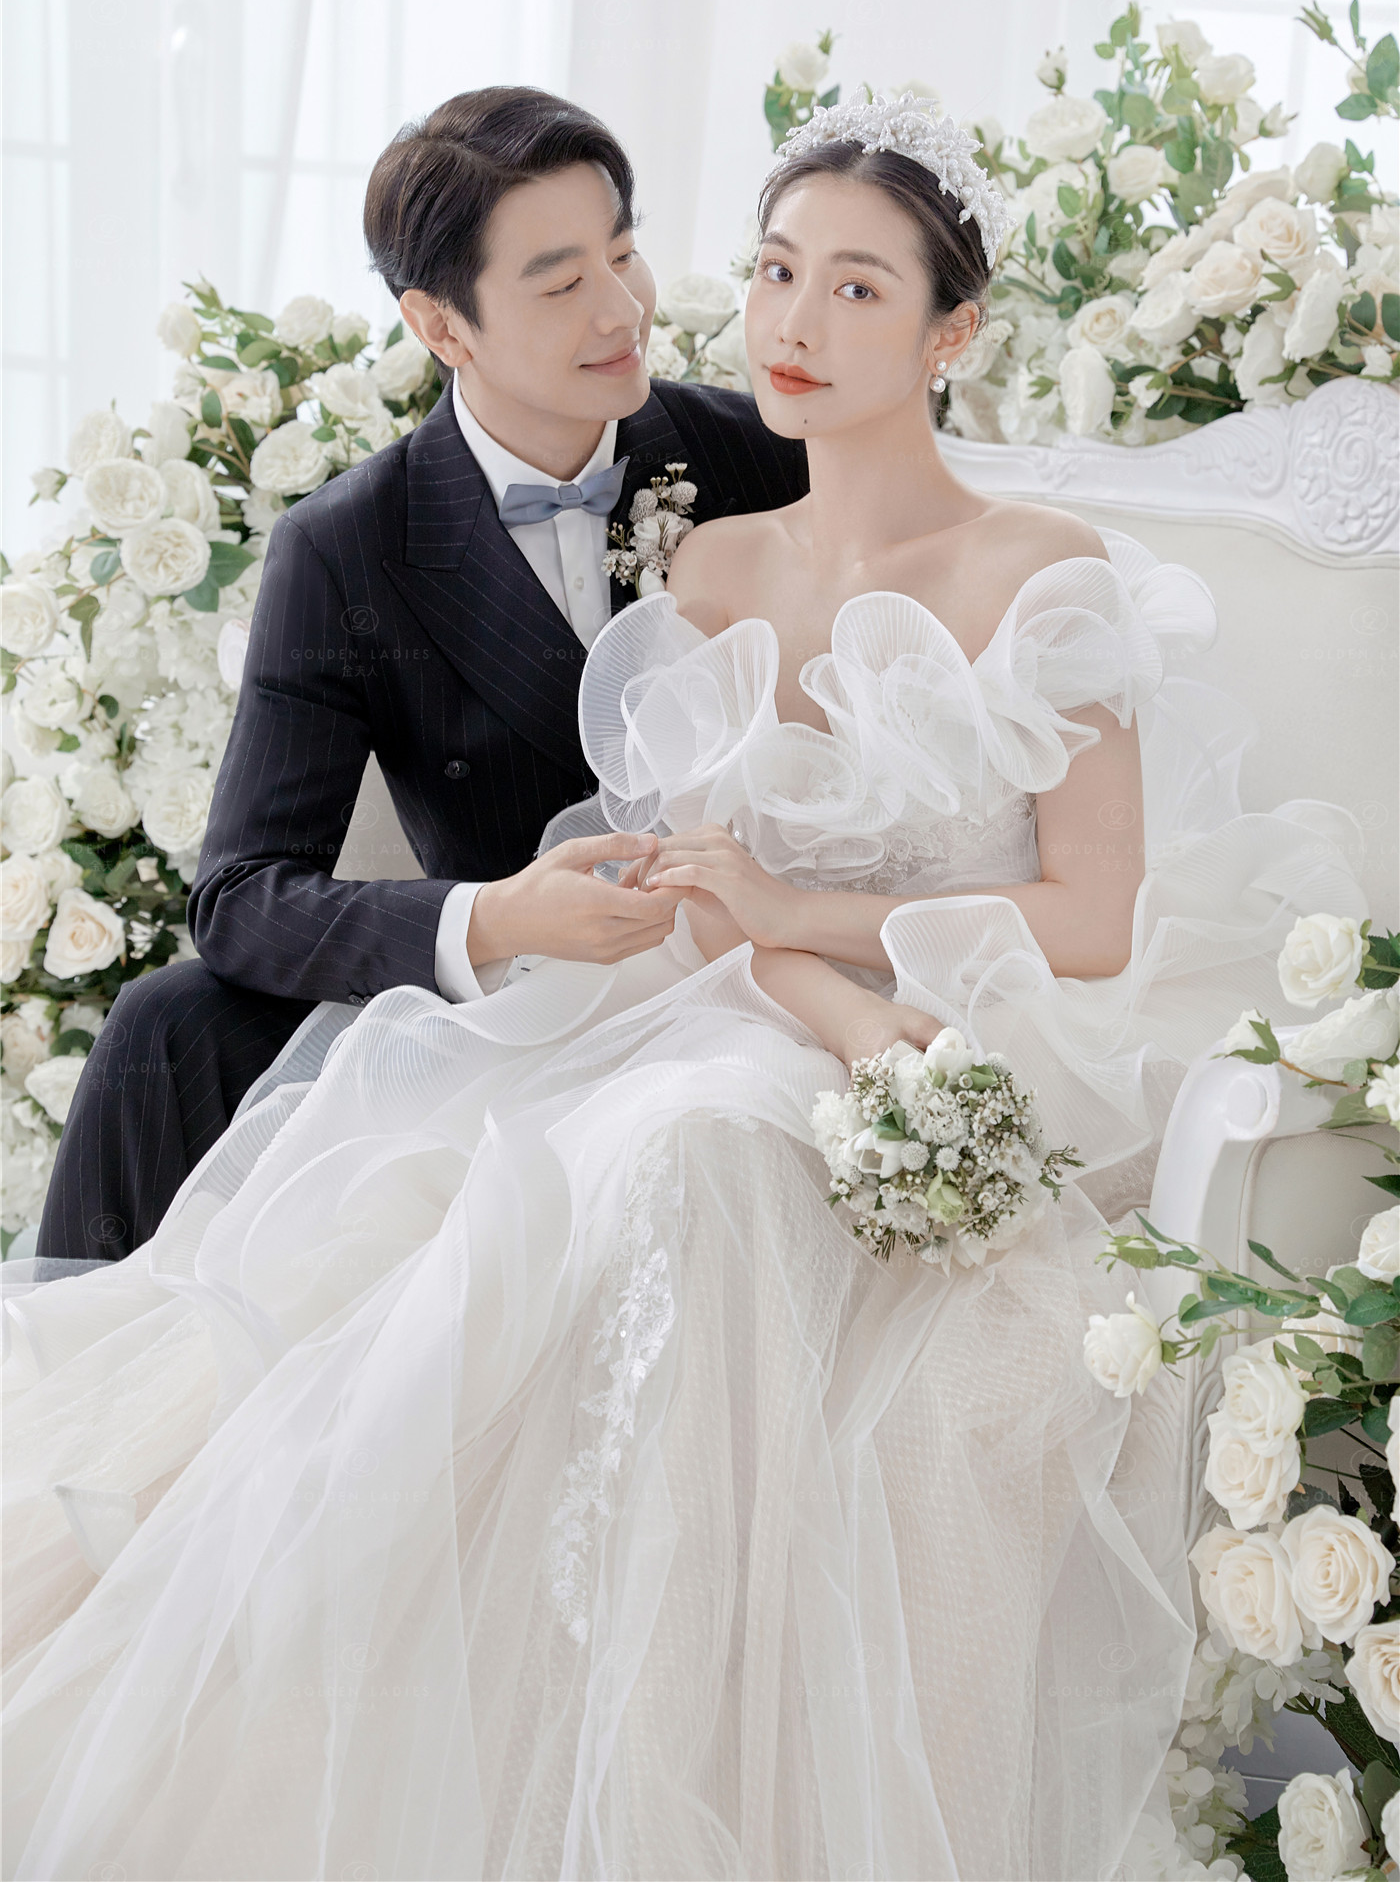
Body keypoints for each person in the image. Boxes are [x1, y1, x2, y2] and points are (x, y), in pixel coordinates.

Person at [2, 96, 1366, 1881]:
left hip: (947, 1012)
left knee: (674, 1160)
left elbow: (1081, 912)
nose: (717, 316)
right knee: (504, 1163)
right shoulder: (622, 558)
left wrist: (829, 959)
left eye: (637, 257)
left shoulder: (865, 500)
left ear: (950, 330)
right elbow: (597, 888)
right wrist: (670, 956)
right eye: (775, 272)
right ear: (442, 325)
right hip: (707, 1001)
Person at [35, 86, 808, 1265]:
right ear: (441, 325)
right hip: (511, 1000)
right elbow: (239, 895)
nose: (621, 309)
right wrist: (490, 919)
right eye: (561, 284)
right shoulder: (346, 545)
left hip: (753, 977)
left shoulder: (757, 455)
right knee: (164, 1023)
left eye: (623, 253)